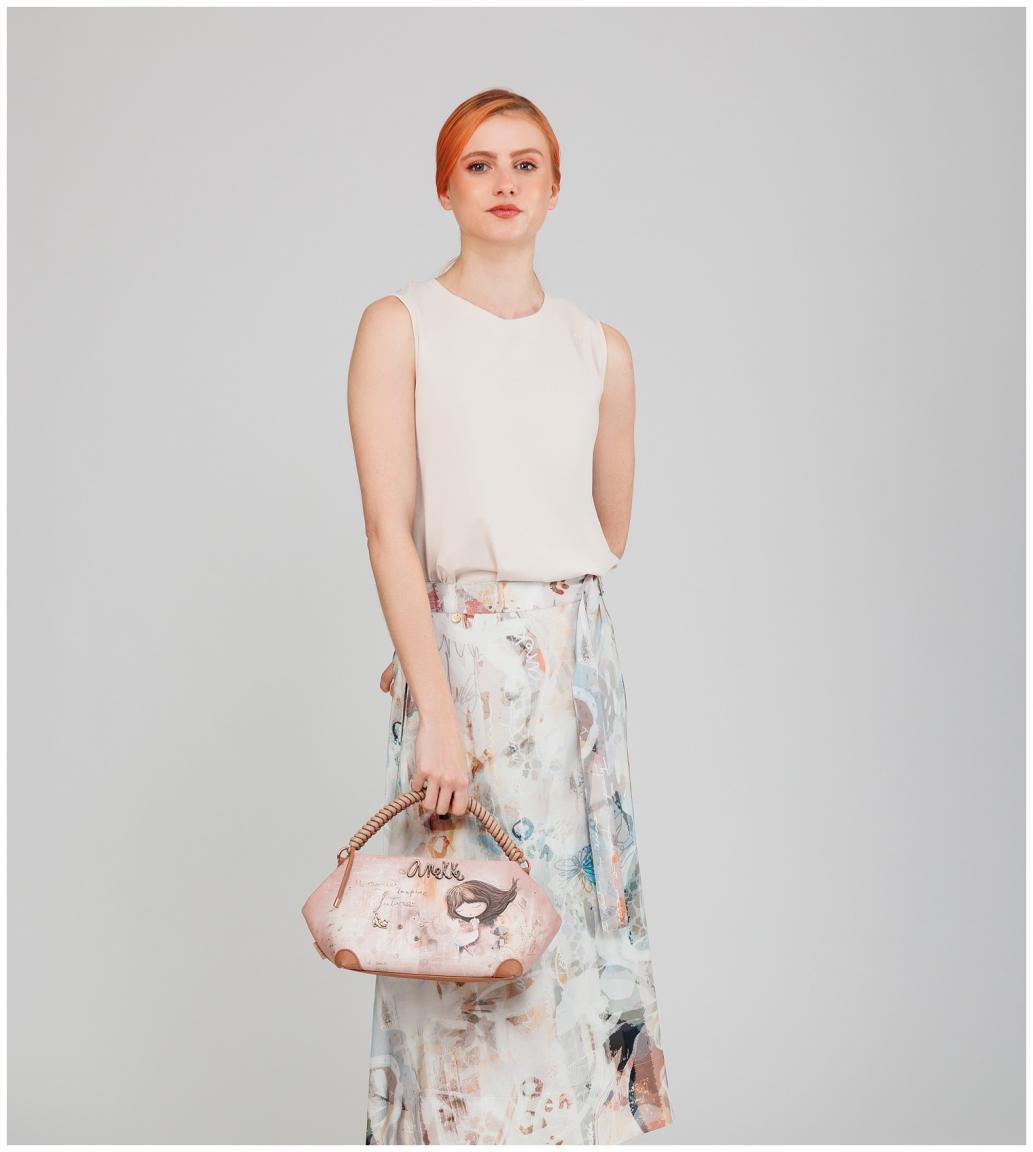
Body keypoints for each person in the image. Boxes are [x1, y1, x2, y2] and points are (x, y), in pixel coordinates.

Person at [347, 87, 674, 1146]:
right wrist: (434, 701)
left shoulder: (600, 348)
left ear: (556, 187)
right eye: (479, 164)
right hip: (464, 672)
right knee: (464, 936)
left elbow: (605, 530)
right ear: (444, 187)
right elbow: (389, 530)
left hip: (575, 672)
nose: (503, 183)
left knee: (573, 936)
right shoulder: (399, 326)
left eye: (525, 164)